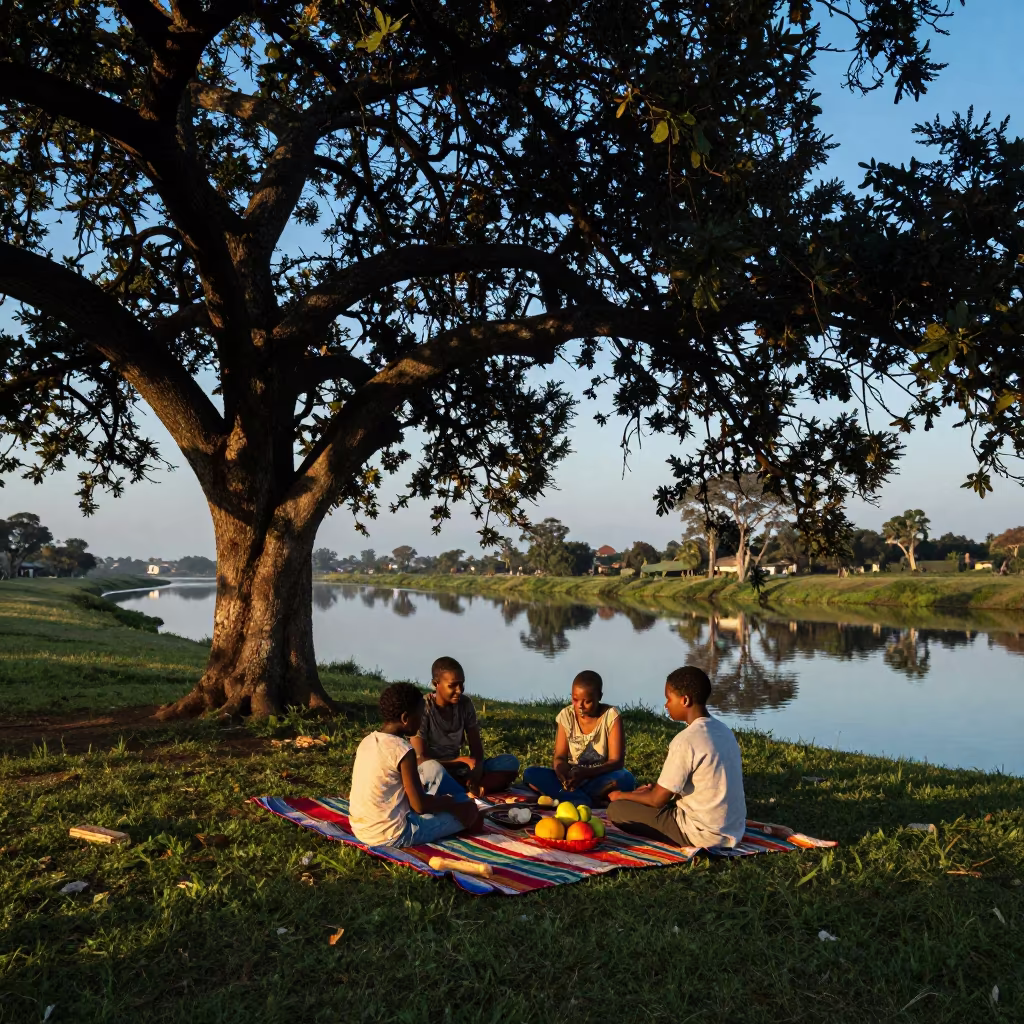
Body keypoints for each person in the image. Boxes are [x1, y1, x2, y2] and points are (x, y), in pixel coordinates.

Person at [607, 665, 746, 848]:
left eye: (668, 698)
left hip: (700, 835)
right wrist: (640, 794)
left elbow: (657, 800)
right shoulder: (724, 731)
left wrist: (621, 795)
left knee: (617, 810)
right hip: (734, 830)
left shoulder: (686, 741)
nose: (666, 705)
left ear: (685, 700)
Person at [348, 681, 479, 847]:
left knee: (448, 792)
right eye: (420, 715)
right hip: (393, 835)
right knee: (470, 811)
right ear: (405, 718)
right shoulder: (402, 750)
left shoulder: (368, 741)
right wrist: (449, 802)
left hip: (361, 829)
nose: (422, 720)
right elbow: (419, 806)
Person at [522, 670, 635, 807]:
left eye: (587, 701)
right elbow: (559, 757)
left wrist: (586, 773)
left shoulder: (611, 716)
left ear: (599, 697)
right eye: (575, 700)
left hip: (599, 776)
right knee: (530, 773)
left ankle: (571, 798)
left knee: (625, 778)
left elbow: (616, 762)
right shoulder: (566, 716)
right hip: (573, 778)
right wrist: (562, 774)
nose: (580, 706)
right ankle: (585, 799)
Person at [410, 656, 520, 795]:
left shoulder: (465, 704)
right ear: (435, 683)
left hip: (460, 769)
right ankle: (470, 791)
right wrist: (457, 761)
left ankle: (472, 789)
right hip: (434, 770)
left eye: (461, 684)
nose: (459, 690)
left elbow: (477, 750)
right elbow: (421, 759)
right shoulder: (424, 708)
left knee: (510, 762)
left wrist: (476, 771)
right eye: (452, 685)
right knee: (429, 770)